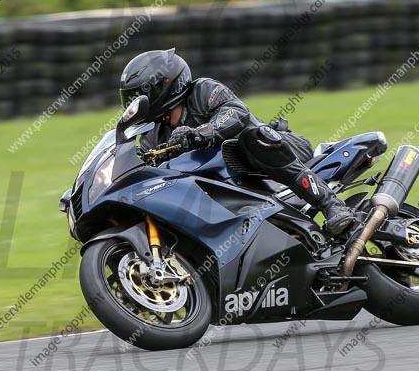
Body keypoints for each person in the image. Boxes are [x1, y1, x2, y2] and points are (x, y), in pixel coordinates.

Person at [118, 48, 355, 235]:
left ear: (163, 85)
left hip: (281, 148)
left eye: (140, 95)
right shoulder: (153, 135)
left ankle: (331, 204)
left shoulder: (203, 91)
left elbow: (236, 112)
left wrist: (203, 132)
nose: (135, 104)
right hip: (236, 180)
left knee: (253, 138)